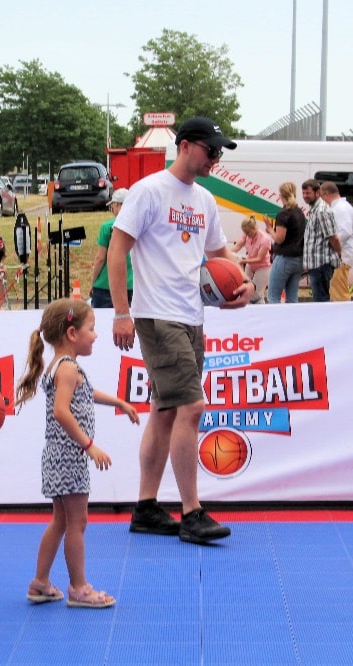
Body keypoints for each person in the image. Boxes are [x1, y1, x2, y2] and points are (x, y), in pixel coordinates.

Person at [107, 116, 254, 544]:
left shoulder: (205, 200)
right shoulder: (148, 191)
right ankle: (192, 512)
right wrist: (121, 311)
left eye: (220, 151)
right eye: (212, 150)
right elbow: (118, 248)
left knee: (166, 411)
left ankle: (147, 507)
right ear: (186, 146)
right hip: (158, 314)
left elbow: (220, 255)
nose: (216, 157)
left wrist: (241, 284)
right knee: (191, 408)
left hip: (192, 314)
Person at [16, 299, 138, 608]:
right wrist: (89, 445)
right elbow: (62, 412)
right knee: (77, 523)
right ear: (72, 333)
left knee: (60, 521)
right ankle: (79, 587)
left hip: (58, 455)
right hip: (69, 456)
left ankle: (40, 582)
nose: (95, 335)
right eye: (91, 329)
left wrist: (119, 403)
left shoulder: (60, 366)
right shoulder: (68, 368)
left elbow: (86, 393)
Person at [90, 188, 133, 308]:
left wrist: (93, 282)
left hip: (106, 285)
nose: (112, 209)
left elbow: (100, 258)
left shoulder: (108, 227)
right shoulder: (139, 226)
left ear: (118, 205)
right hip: (131, 285)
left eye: (113, 205)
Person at [301, 179, 342, 302]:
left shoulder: (321, 211)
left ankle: (324, 321)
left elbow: (333, 237)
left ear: (317, 192)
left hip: (322, 264)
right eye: (303, 193)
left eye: (308, 193)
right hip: (316, 264)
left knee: (321, 300)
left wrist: (340, 253)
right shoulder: (315, 209)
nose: (305, 196)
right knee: (319, 299)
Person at [267, 182, 306, 304]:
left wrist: (269, 229)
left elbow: (279, 239)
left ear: (281, 195)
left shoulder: (283, 214)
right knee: (292, 297)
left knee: (273, 296)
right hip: (298, 259)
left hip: (284, 258)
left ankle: (276, 322)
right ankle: (292, 322)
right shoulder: (299, 212)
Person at [318, 181, 353, 302]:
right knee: (336, 292)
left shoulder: (340, 208)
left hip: (341, 258)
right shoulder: (342, 207)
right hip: (341, 257)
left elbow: (345, 231)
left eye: (321, 197)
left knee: (339, 294)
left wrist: (331, 245)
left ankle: (344, 318)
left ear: (326, 194)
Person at [230, 215, 273, 303]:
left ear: (254, 228)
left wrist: (243, 261)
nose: (246, 235)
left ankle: (259, 310)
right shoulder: (246, 234)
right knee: (244, 290)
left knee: (256, 294)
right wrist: (229, 253)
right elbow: (239, 245)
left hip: (263, 267)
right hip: (250, 265)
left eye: (248, 233)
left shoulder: (265, 239)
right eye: (245, 233)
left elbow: (259, 258)